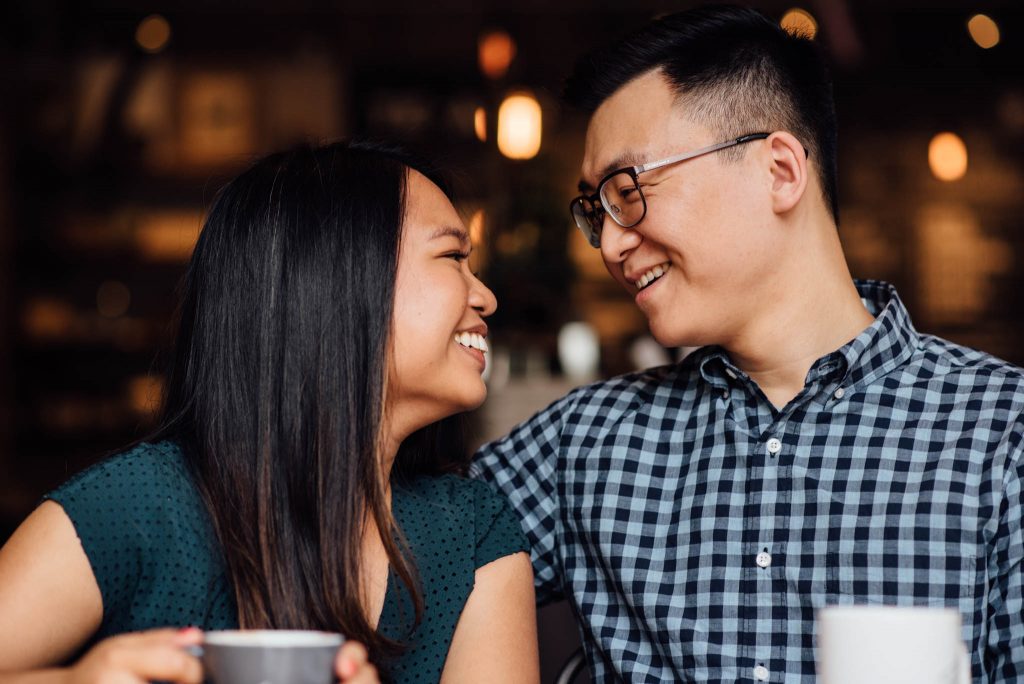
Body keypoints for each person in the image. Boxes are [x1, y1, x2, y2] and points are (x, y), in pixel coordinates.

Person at [471, 5, 1024, 682]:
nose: (611, 244)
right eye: (595, 211)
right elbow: (376, 565)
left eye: (627, 190)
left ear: (781, 170)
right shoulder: (583, 443)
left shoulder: (1003, 434)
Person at [0, 141, 539, 683]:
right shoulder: (139, 505)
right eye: (452, 257)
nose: (486, 297)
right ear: (338, 280)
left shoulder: (471, 532)